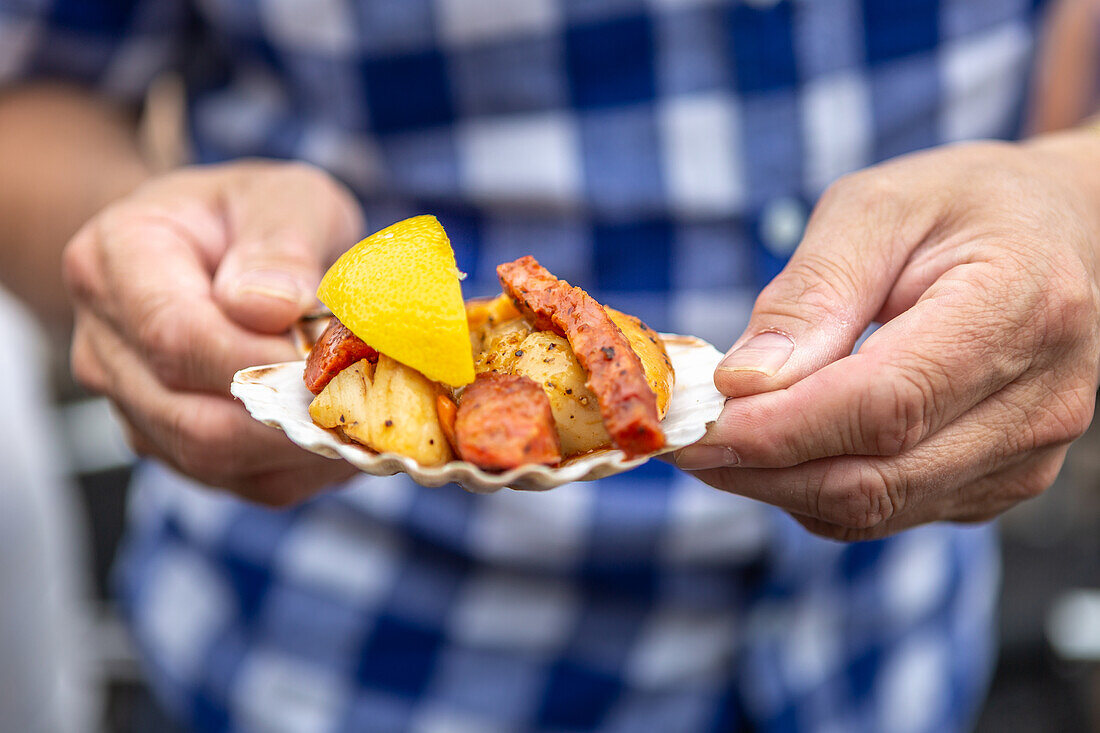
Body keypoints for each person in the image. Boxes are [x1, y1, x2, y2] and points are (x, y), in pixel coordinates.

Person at [2, 0, 1098, 730]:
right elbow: (27, 93)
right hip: (339, 668)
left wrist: (1071, 199)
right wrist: (159, 259)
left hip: (897, 659)